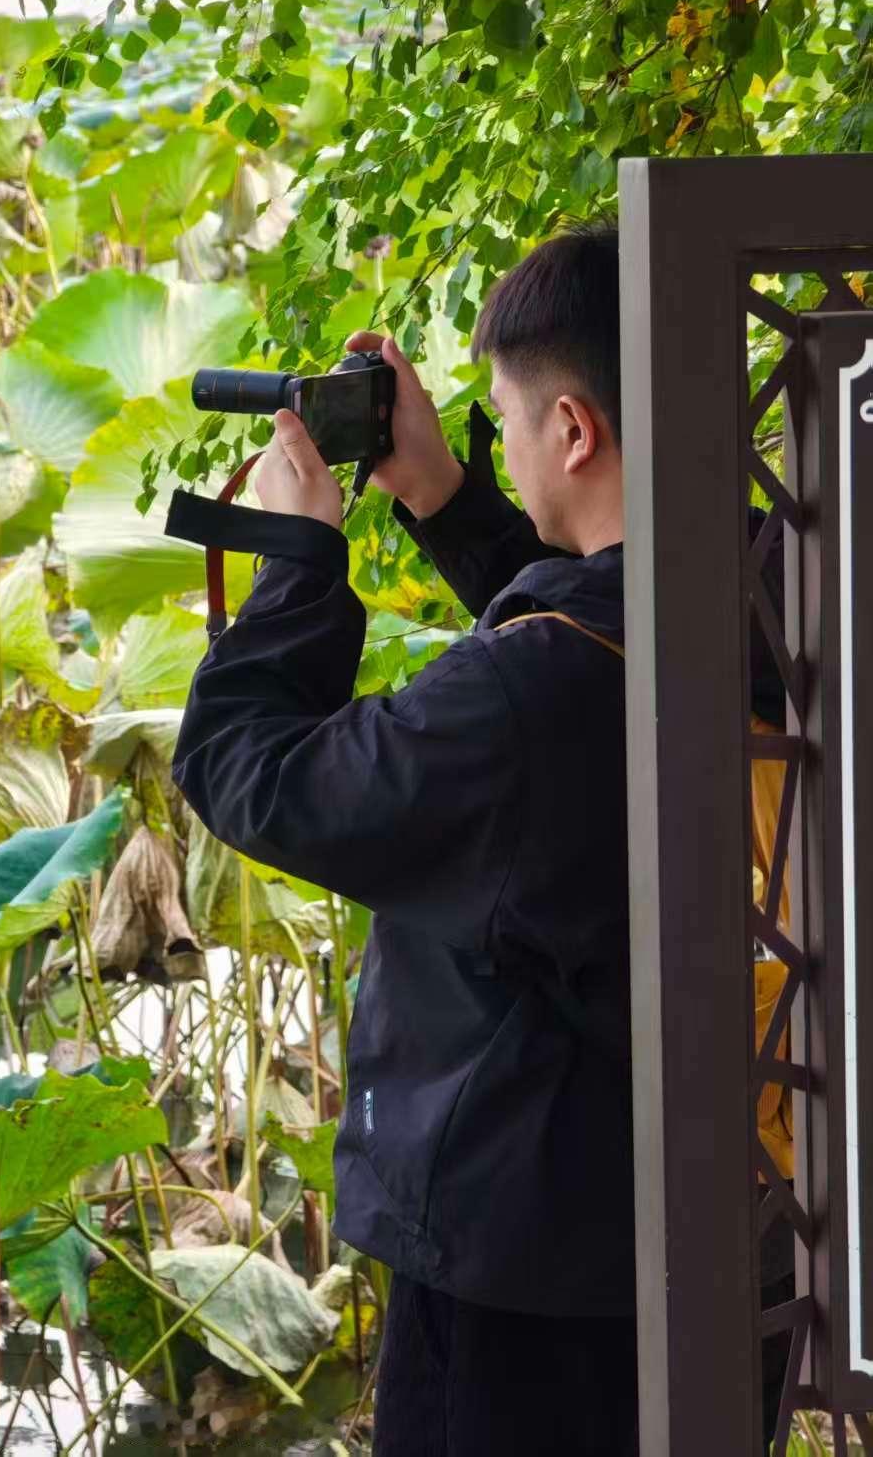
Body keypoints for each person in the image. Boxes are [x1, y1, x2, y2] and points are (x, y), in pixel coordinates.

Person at [169, 221, 789, 1455]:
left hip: (526, 1276)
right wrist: (445, 499)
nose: (498, 442)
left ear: (573, 429)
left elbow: (253, 774)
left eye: (507, 420)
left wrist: (299, 557)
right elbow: (593, 622)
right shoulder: (772, 595)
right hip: (728, 1230)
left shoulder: (524, 694)